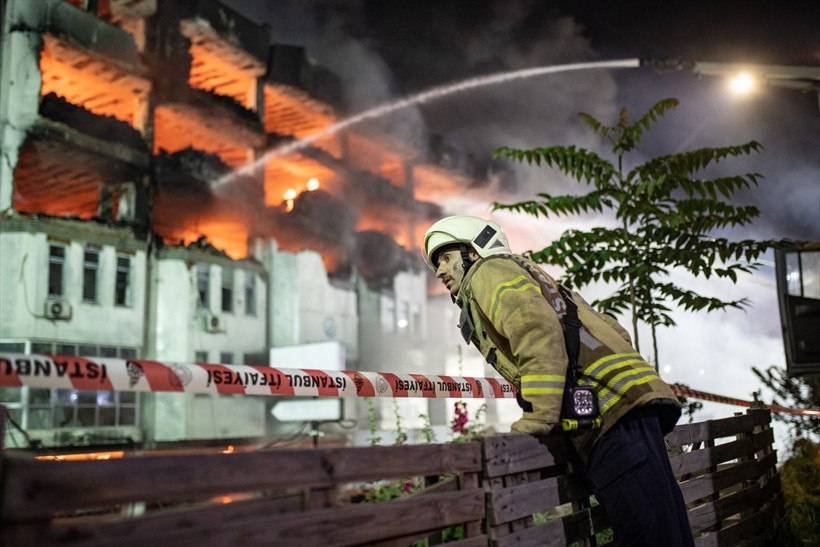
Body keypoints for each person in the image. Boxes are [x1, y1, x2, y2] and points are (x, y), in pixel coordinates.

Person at [423, 215, 694, 546]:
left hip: (608, 417)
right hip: (629, 407)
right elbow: (613, 329)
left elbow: (536, 331)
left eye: (446, 257)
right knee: (668, 532)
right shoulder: (530, 274)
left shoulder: (488, 272)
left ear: (474, 252)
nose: (440, 271)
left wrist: (537, 420)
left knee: (647, 536)